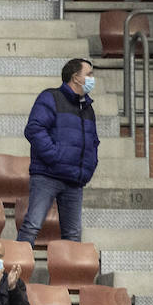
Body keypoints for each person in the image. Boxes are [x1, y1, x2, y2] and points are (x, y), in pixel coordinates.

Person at [17, 58, 98, 246]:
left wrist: (89, 166)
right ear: (76, 77)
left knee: (73, 235)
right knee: (32, 226)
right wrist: (55, 156)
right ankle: (15, 273)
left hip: (74, 180)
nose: (92, 78)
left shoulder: (87, 107)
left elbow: (93, 141)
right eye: (89, 74)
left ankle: (71, 276)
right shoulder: (50, 97)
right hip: (48, 176)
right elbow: (34, 129)